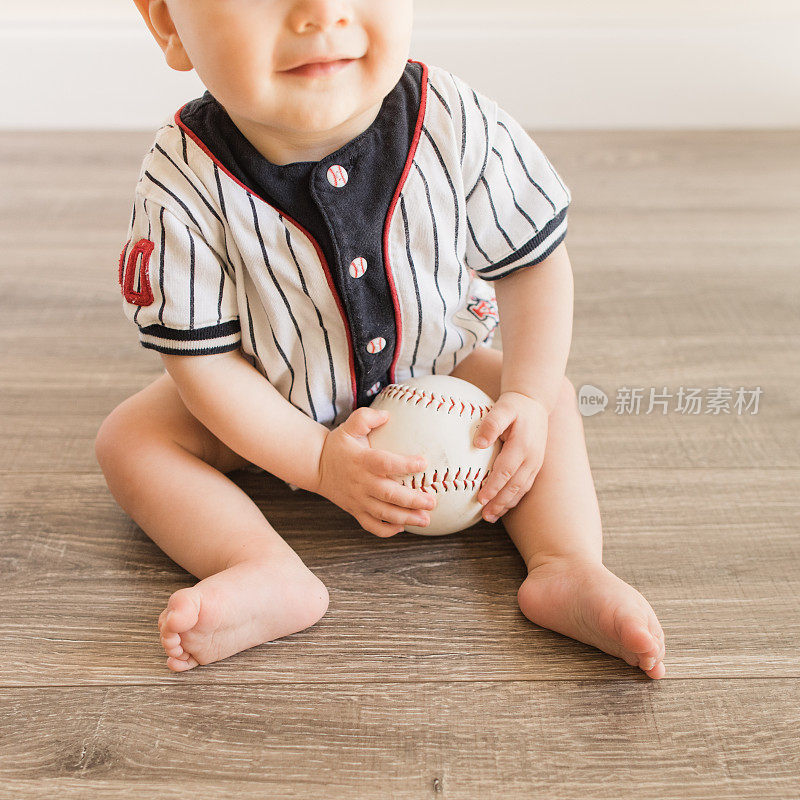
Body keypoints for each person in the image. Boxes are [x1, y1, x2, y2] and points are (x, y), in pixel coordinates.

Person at [95, 0, 666, 678]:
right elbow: (207, 368)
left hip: (439, 368)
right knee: (132, 442)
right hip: (270, 393)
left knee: (552, 400)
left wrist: (529, 396)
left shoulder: (453, 121)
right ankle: (258, 565)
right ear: (167, 22)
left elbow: (533, 265)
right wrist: (314, 461)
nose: (321, 12)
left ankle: (565, 564)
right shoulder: (183, 182)